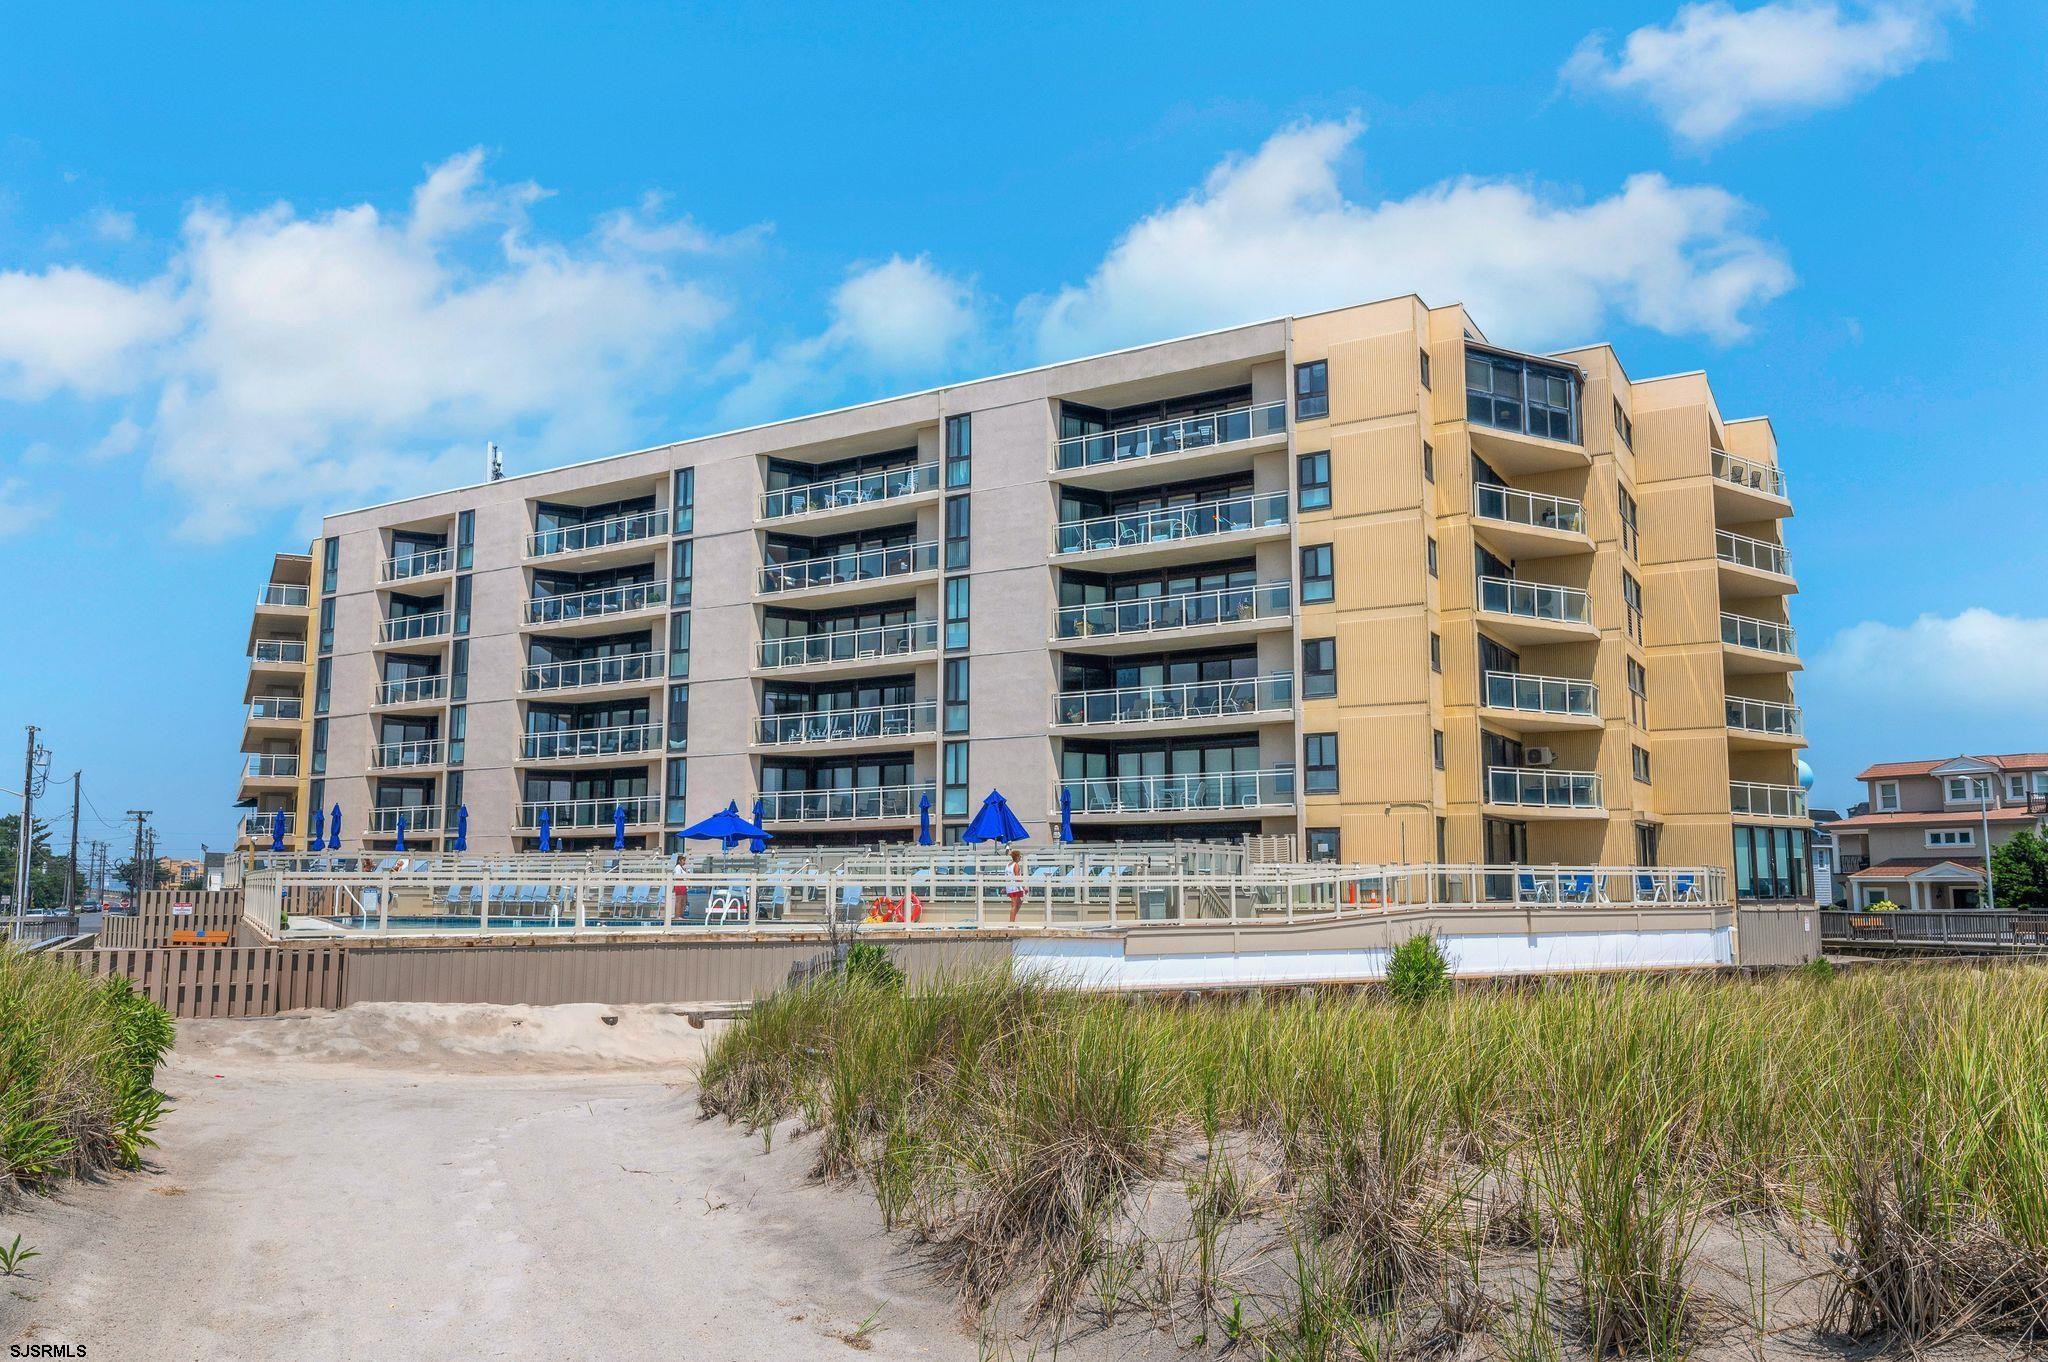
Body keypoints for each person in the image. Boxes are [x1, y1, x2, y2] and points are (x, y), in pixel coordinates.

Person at [1004, 846, 1027, 923]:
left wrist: (1005, 886)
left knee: (1019, 902)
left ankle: (1013, 919)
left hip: (1009, 887)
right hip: (1015, 887)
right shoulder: (1016, 865)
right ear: (1017, 857)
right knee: (1014, 905)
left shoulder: (1008, 864)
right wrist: (1024, 887)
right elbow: (1017, 877)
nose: (1020, 858)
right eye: (1020, 856)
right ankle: (1011, 922)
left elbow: (1007, 876)